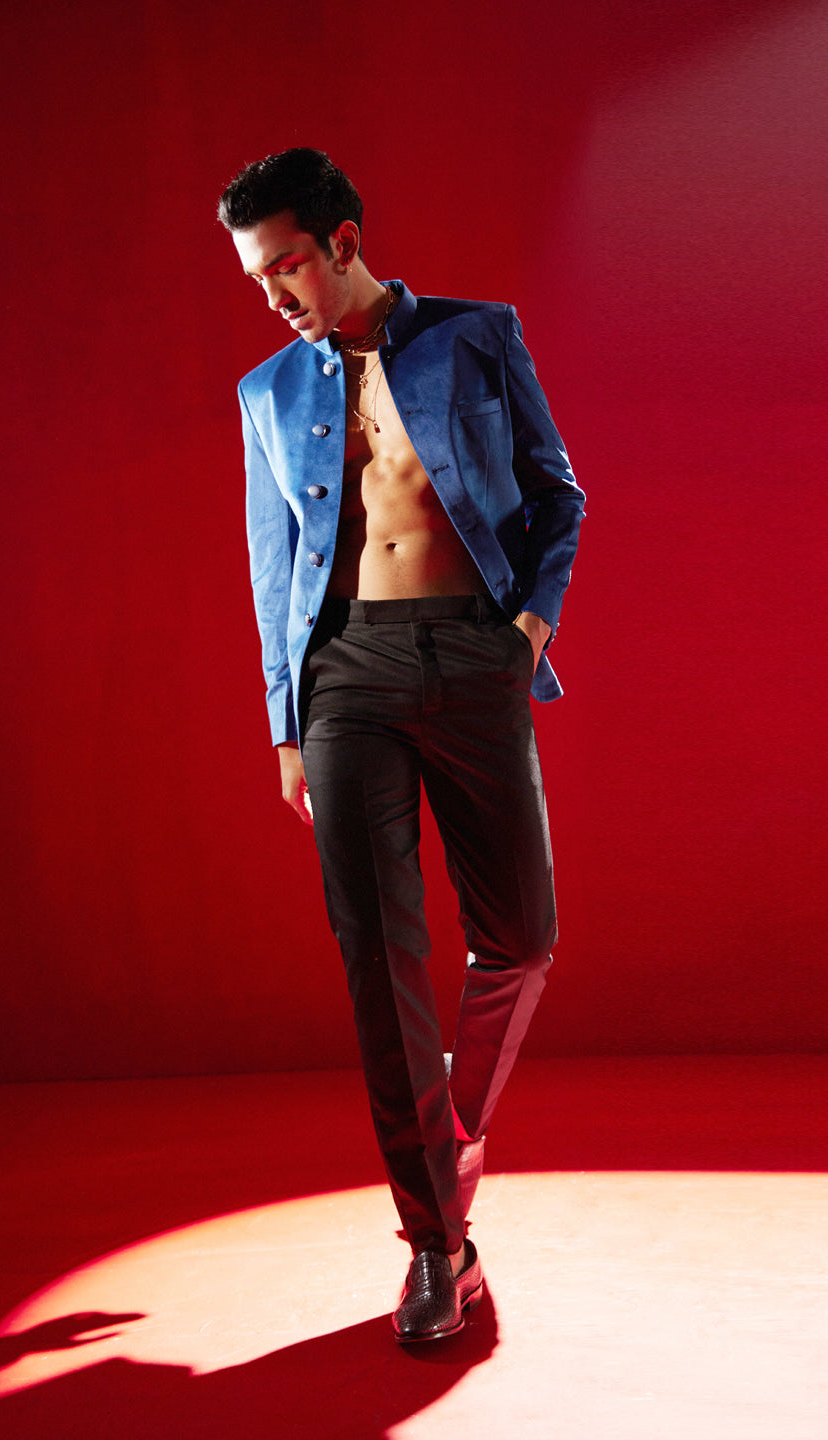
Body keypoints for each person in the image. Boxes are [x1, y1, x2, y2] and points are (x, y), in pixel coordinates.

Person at [218, 149, 584, 1343]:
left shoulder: (478, 336)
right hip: (347, 680)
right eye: (254, 276)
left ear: (343, 241)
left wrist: (527, 630)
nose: (271, 294)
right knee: (379, 961)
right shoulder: (267, 392)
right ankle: (437, 1244)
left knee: (521, 936)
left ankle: (448, 1133)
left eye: (284, 267)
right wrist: (285, 725)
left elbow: (558, 495)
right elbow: (273, 565)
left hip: (475, 655)